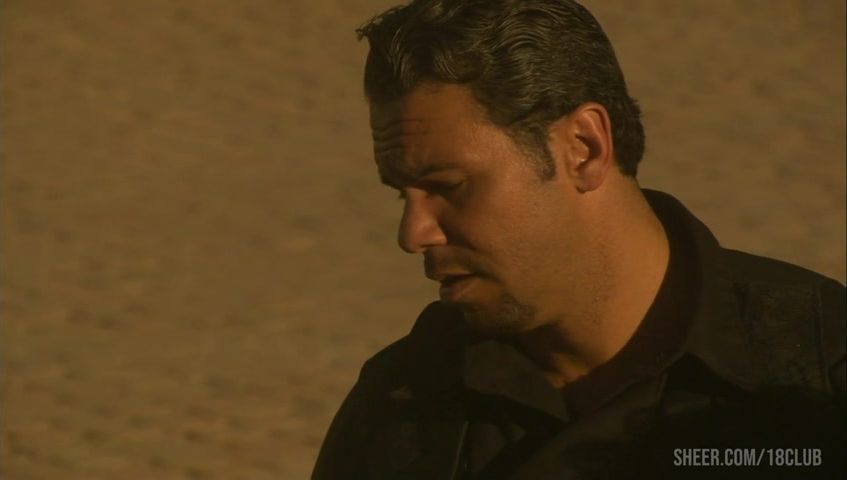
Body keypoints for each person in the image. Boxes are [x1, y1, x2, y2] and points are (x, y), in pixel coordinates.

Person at [312, 1, 846, 478]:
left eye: (449, 186)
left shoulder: (825, 368)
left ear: (584, 147)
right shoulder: (400, 405)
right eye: (401, 194)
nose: (414, 233)